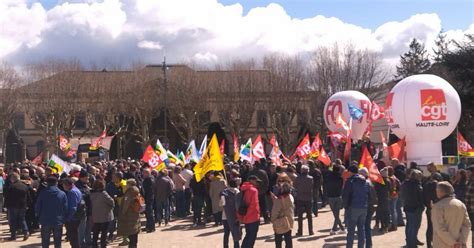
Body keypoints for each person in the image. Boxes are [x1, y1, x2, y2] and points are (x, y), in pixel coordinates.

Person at [432, 181, 471, 248]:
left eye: (437, 190)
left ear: (441, 191)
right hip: (459, 244)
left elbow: (439, 228)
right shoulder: (461, 204)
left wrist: (453, 242)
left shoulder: (438, 206)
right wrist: (462, 241)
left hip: (443, 244)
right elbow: (467, 224)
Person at [342, 165, 370, 248]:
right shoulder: (366, 181)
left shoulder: (350, 181)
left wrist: (346, 206)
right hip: (364, 207)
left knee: (351, 231)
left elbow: (345, 195)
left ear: (350, 172)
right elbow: (369, 195)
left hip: (353, 207)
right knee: (361, 230)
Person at [36, 176, 68, 248]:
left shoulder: (43, 193)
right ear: (56, 183)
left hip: (45, 219)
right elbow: (65, 208)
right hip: (58, 220)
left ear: (47, 183)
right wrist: (64, 218)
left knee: (45, 241)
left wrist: (38, 216)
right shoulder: (62, 194)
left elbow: (38, 206)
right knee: (57, 241)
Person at [401, 169, 425, 248]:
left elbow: (402, 195)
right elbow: (420, 197)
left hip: (407, 206)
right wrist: (422, 206)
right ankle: (412, 244)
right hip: (415, 208)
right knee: (414, 226)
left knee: (409, 225)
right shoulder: (417, 185)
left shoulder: (405, 183)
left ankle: (411, 240)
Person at [4, 172, 31, 241]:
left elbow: (7, 197)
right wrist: (28, 204)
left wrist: (6, 205)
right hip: (23, 205)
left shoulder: (11, 187)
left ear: (13, 179)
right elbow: (28, 197)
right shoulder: (25, 186)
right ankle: (26, 232)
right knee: (22, 219)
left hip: (13, 206)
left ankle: (13, 236)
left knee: (13, 221)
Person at [90, 179, 115, 248]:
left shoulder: (91, 193)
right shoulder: (103, 193)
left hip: (95, 215)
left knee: (96, 231)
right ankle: (103, 245)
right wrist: (111, 208)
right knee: (104, 232)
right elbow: (111, 202)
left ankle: (94, 245)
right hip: (105, 215)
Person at [238, 175, 261, 248]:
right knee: (251, 238)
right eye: (256, 181)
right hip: (253, 217)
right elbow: (254, 205)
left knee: (248, 236)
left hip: (244, 216)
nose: (257, 183)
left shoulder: (242, 189)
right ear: (251, 180)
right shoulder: (253, 190)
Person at [117, 179, 141, 248]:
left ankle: (132, 246)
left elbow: (126, 204)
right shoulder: (136, 191)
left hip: (129, 214)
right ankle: (134, 245)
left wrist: (123, 213)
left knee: (131, 231)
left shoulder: (129, 193)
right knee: (135, 231)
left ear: (129, 185)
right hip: (135, 213)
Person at [220, 178, 241, 248]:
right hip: (234, 216)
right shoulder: (237, 192)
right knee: (235, 233)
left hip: (224, 215)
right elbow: (238, 204)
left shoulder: (223, 192)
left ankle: (225, 246)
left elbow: (221, 204)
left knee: (226, 233)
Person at [293, 165, 314, 236]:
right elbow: (312, 187)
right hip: (308, 198)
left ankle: (300, 231)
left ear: (302, 170)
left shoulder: (298, 178)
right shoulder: (310, 178)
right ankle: (311, 231)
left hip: (300, 198)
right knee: (309, 216)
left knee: (300, 216)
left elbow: (294, 186)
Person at [63, 177, 84, 248]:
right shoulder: (76, 190)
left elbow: (73, 207)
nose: (63, 187)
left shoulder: (72, 192)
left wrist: (68, 219)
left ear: (67, 185)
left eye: (63, 185)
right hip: (76, 217)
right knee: (74, 236)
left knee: (73, 238)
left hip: (73, 219)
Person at [423, 173, 442, 248]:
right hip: (437, 208)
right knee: (438, 227)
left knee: (430, 226)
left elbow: (423, 196)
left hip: (429, 208)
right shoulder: (438, 185)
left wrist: (427, 205)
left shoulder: (426, 185)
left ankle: (428, 244)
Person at [325, 163, 345, 235]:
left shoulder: (328, 177)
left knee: (335, 213)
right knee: (336, 213)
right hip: (338, 196)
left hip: (330, 196)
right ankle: (341, 228)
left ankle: (334, 229)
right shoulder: (340, 177)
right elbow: (341, 187)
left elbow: (326, 186)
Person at [76, 169, 92, 247]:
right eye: (86, 178)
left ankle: (88, 242)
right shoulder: (77, 186)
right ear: (81, 178)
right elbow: (81, 196)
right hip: (82, 211)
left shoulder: (85, 185)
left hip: (89, 210)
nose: (88, 180)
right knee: (81, 229)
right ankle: (81, 244)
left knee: (88, 228)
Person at [374, 168, 391, 233]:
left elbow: (376, 189)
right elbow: (390, 189)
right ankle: (386, 226)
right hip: (386, 198)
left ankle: (383, 226)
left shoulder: (378, 182)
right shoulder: (388, 181)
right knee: (386, 213)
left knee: (381, 213)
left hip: (380, 198)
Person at [393, 159, 406, 227]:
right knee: (401, 205)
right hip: (403, 189)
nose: (392, 164)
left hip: (398, 190)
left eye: (392, 163)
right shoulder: (404, 169)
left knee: (398, 206)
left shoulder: (397, 171)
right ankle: (400, 220)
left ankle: (400, 221)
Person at [387, 166, 401, 232]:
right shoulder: (395, 178)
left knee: (391, 211)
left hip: (390, 196)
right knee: (394, 211)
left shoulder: (389, 179)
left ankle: (393, 225)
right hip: (395, 196)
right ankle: (395, 224)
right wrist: (397, 193)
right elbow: (399, 186)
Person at [141, 168, 155, 232]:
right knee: (147, 213)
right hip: (147, 198)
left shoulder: (149, 180)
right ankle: (148, 226)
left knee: (149, 213)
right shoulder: (147, 179)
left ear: (147, 173)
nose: (142, 174)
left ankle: (151, 227)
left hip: (149, 198)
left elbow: (148, 190)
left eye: (143, 173)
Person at [464, 165, 474, 245]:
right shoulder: (469, 181)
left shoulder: (471, 183)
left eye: (468, 172)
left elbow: (467, 198)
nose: (466, 174)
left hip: (472, 210)